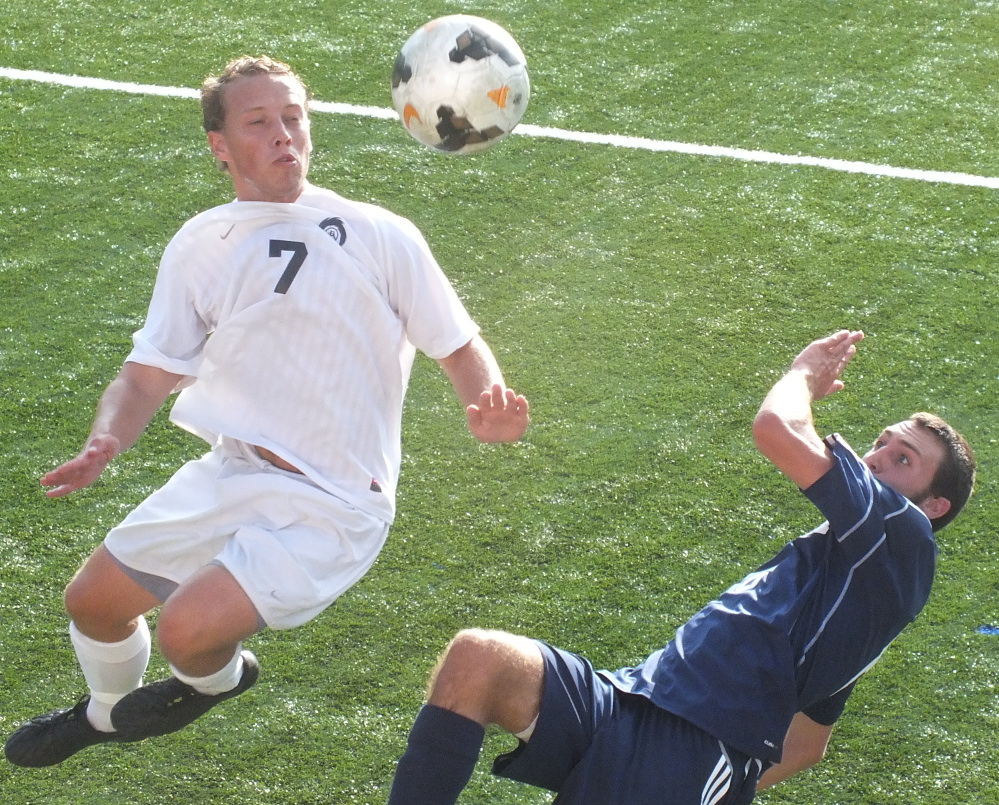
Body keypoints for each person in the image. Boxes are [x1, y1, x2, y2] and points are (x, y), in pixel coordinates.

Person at [4, 54, 529, 768]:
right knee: (93, 600)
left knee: (189, 630)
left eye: (294, 117)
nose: (285, 134)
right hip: (235, 469)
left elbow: (459, 344)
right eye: (259, 122)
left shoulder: (380, 234)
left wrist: (485, 402)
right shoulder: (202, 245)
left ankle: (211, 682)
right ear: (220, 146)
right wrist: (106, 440)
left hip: (334, 503)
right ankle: (102, 716)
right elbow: (145, 375)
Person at [385, 330, 976, 805]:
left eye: (902, 459)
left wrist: (801, 376)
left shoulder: (904, 534)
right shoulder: (853, 581)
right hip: (632, 699)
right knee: (478, 659)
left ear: (934, 506)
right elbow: (809, 744)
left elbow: (777, 430)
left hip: (694, 747)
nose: (875, 462)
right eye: (880, 443)